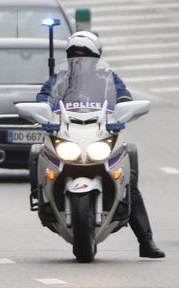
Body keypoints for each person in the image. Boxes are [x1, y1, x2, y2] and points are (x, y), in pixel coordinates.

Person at [32, 31, 165, 259]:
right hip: (69, 133)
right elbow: (43, 99)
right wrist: (42, 112)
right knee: (41, 154)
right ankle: (41, 197)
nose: (79, 60)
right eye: (74, 55)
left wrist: (124, 108)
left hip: (100, 133)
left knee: (127, 180)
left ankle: (146, 241)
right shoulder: (60, 79)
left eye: (85, 55)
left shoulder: (108, 77)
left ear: (96, 57)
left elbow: (123, 97)